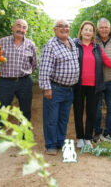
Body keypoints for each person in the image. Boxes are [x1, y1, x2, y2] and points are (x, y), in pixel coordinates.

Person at [73, 21, 111, 148]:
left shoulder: (96, 47)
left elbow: (109, 63)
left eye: (90, 30)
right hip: (78, 85)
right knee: (78, 111)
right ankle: (80, 137)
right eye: (85, 29)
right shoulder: (74, 45)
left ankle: (87, 138)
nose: (87, 32)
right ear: (81, 31)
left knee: (91, 112)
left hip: (94, 85)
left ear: (93, 33)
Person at [0, 19, 37, 153]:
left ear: (26, 30)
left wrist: (27, 75)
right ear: (13, 27)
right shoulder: (2, 42)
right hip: (6, 81)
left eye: (24, 27)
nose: (21, 29)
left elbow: (34, 64)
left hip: (25, 81)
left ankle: (24, 137)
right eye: (18, 26)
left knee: (25, 111)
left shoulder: (30, 44)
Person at [39, 19, 80, 156]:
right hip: (55, 88)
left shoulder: (72, 43)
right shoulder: (51, 46)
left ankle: (60, 141)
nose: (64, 28)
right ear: (54, 29)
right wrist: (47, 88)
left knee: (63, 118)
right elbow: (44, 69)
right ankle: (50, 145)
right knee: (51, 118)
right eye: (60, 26)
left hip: (69, 89)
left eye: (66, 26)